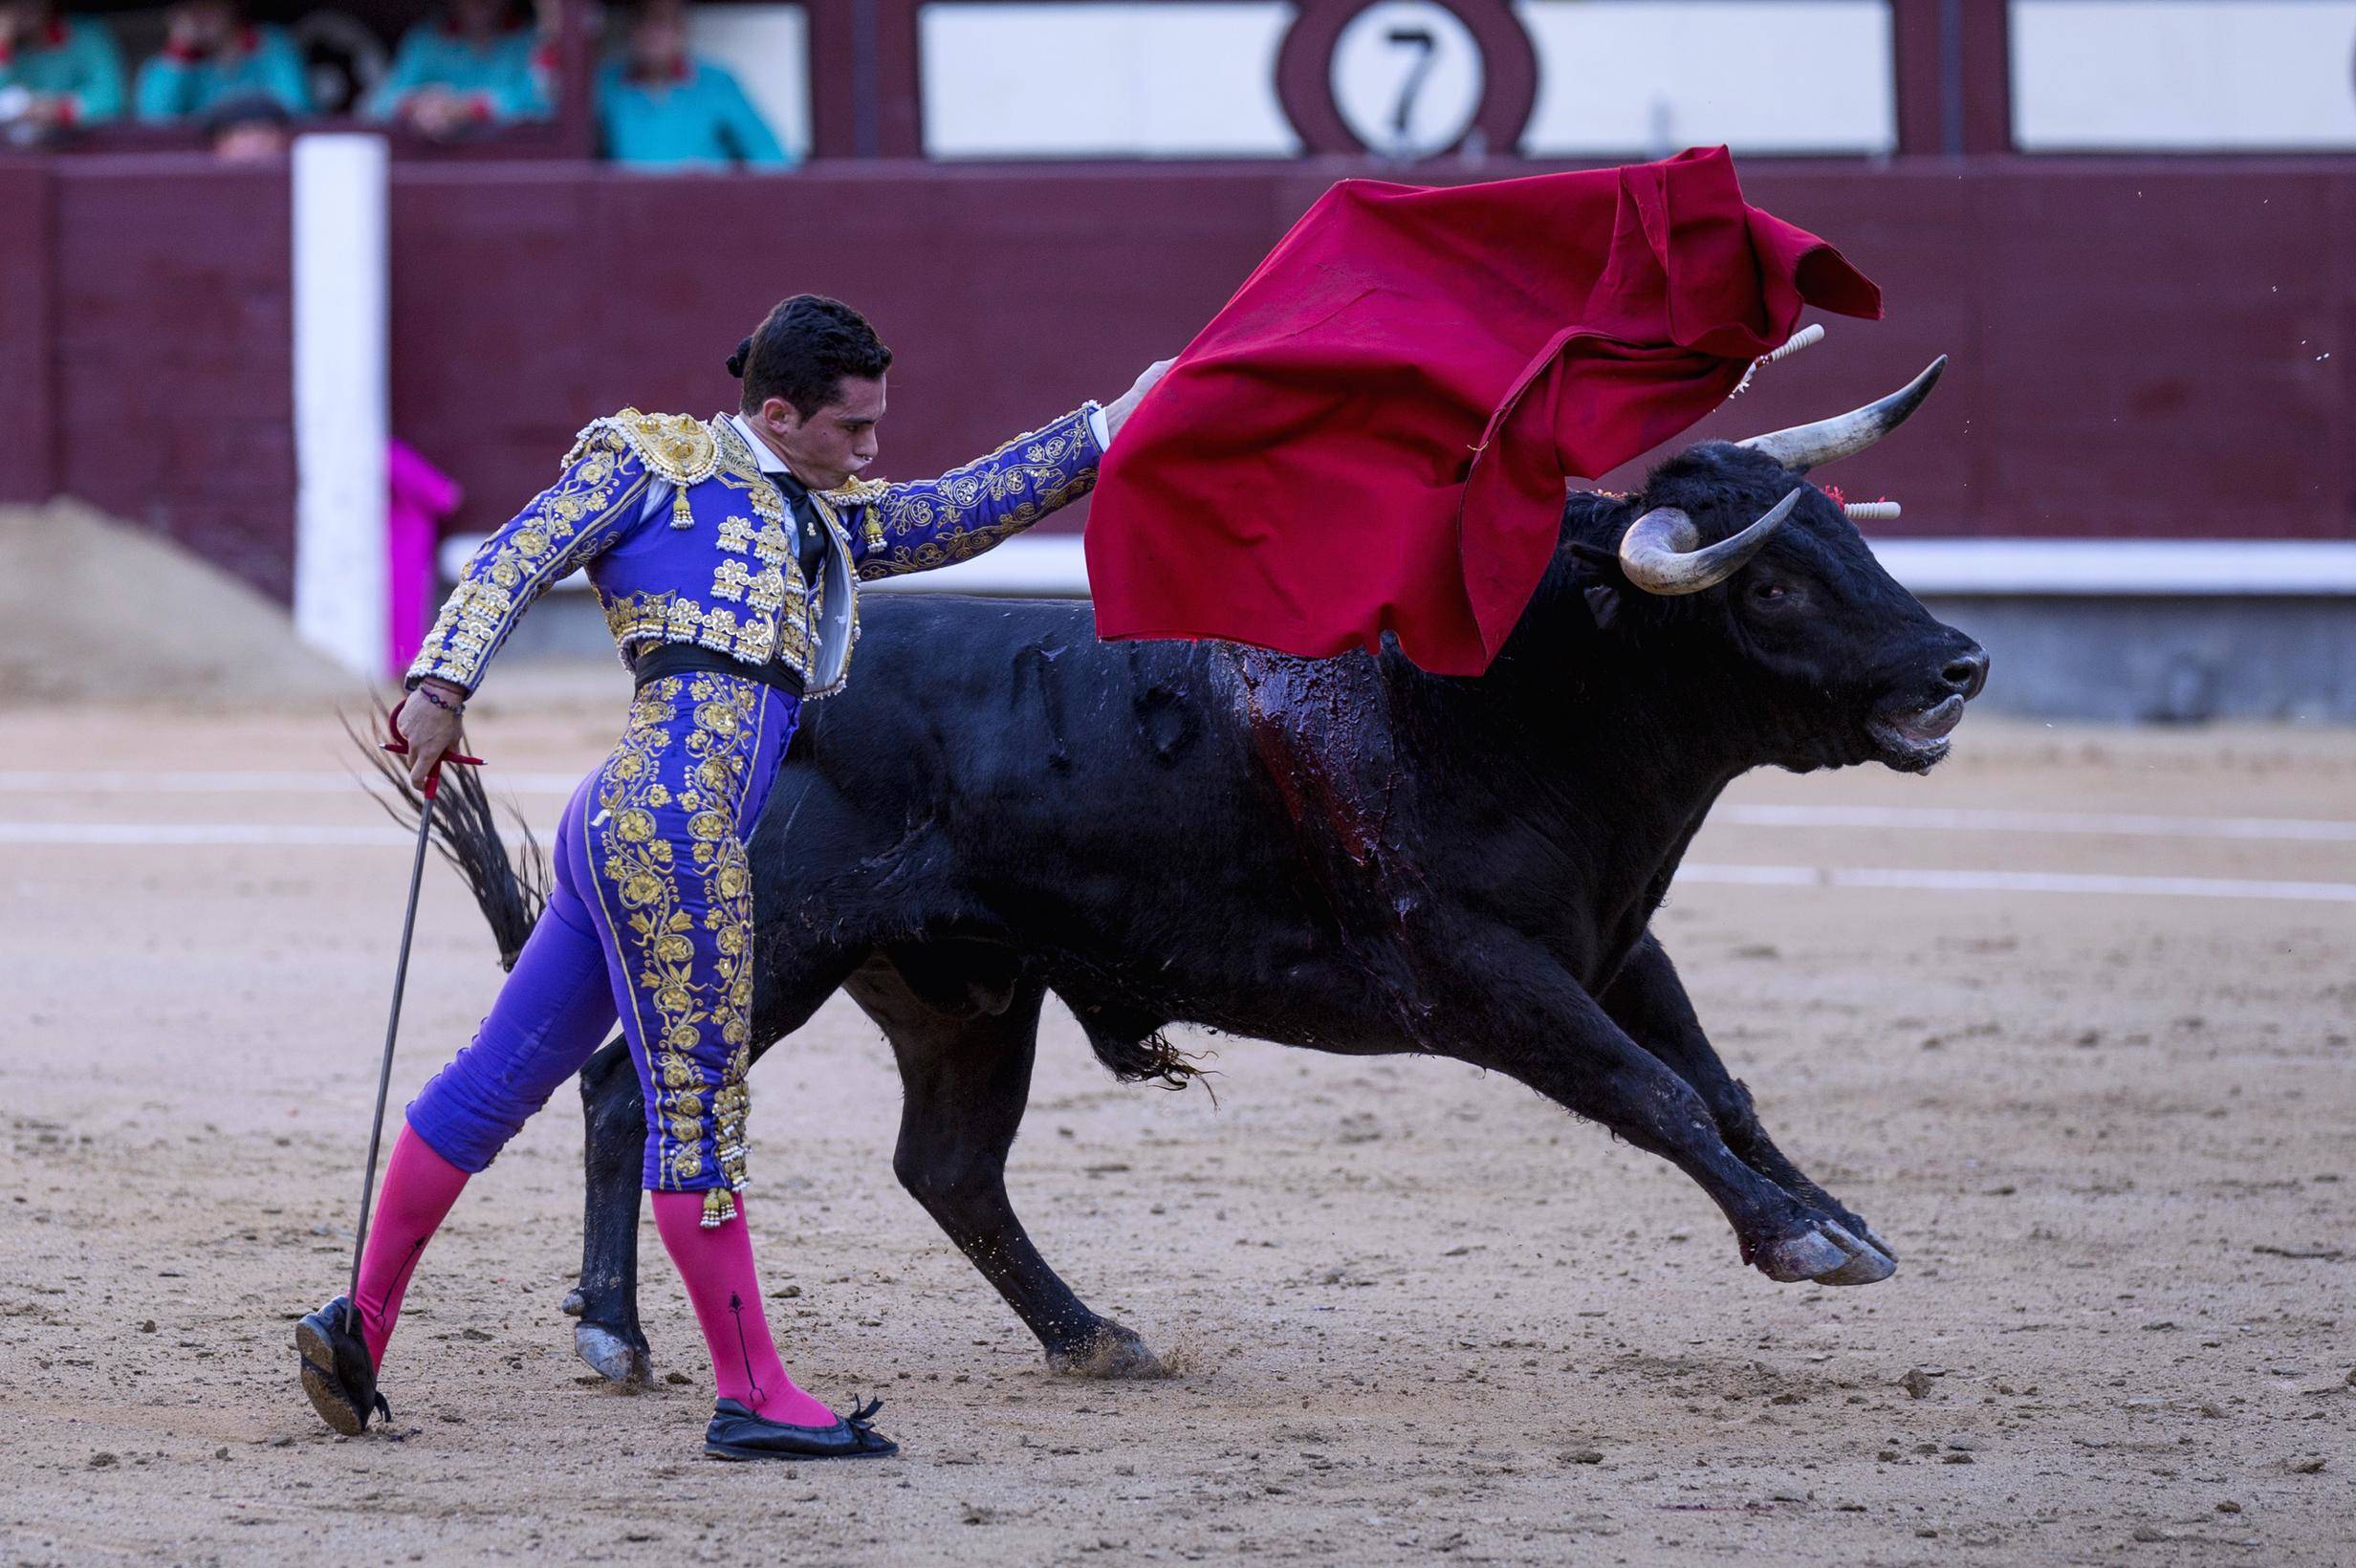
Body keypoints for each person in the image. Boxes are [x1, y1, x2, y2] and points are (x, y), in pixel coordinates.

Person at [296, 294, 1170, 1461]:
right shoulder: (657, 461)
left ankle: (361, 1323)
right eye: (853, 429)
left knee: (499, 1078)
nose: (871, 450)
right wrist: (439, 683)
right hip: (674, 831)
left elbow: (956, 510)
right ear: (777, 410)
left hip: (622, 817)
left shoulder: (814, 514)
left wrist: (1110, 427)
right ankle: (751, 1388)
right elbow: (517, 552)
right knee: (695, 1105)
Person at [598, 0, 786, 170]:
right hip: (630, 205)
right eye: (642, 21)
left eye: (662, 23)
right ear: (630, 30)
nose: (652, 33)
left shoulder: (717, 84)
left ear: (682, 29)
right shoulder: (606, 84)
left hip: (705, 204)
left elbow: (770, 157)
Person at [365, 0, 549, 139]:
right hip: (436, 167)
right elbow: (377, 106)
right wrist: (418, 105)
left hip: (510, 165)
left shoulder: (531, 39)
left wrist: (470, 108)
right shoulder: (426, 40)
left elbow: (543, 102)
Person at [134, 0, 309, 122]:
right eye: (191, 7)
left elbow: (296, 109)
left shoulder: (270, 44)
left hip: (262, 155)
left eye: (209, 6)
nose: (200, 15)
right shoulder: (172, 61)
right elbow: (153, 122)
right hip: (199, 164)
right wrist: (180, 53)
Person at [0, 3, 125, 136]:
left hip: (80, 144)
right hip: (13, 151)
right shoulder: (6, 44)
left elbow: (111, 96)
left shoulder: (86, 35)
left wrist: (58, 110)